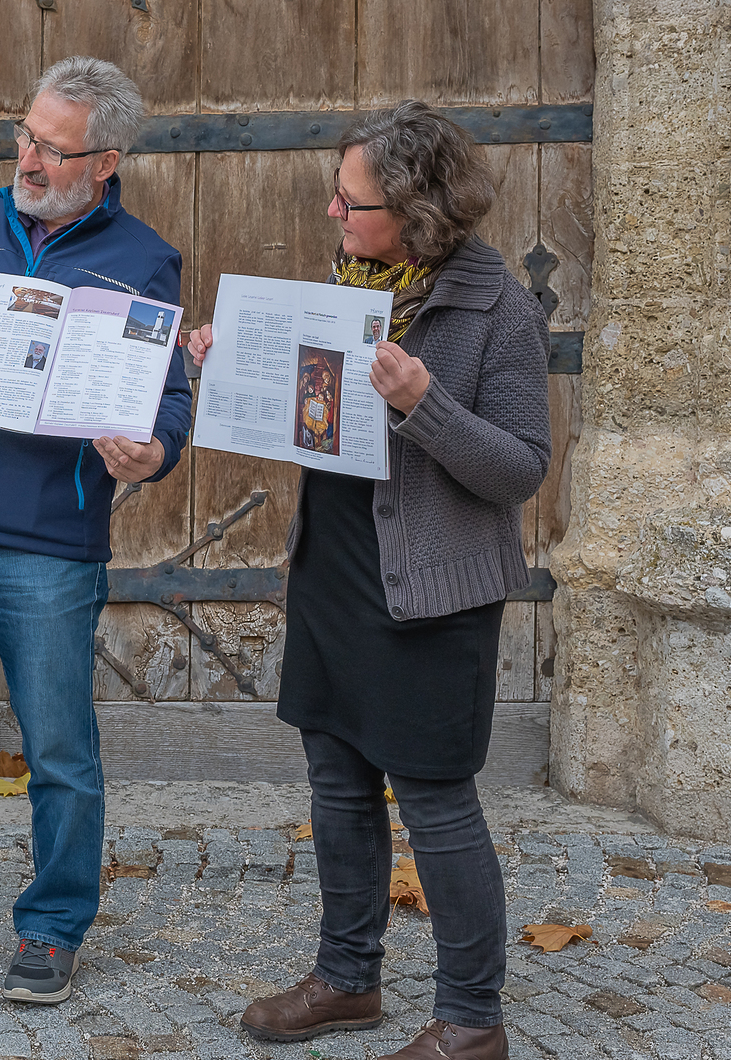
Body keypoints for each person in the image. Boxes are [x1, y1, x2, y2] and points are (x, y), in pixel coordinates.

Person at [185, 101, 549, 1060]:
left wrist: (424, 404)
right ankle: (348, 979)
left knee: (436, 802)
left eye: (353, 203)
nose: (333, 216)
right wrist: (227, 371)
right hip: (337, 570)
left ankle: (472, 1019)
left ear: (419, 214)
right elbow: (308, 424)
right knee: (338, 785)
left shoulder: (496, 309)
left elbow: (519, 467)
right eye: (337, 197)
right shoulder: (348, 288)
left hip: (433, 590)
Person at [0, 56, 192, 1005]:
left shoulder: (143, 259)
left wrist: (155, 451)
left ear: (105, 161)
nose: (28, 157)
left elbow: (169, 399)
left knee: (57, 746)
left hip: (46, 543)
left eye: (52, 148)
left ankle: (53, 929)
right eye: (24, 135)